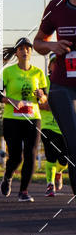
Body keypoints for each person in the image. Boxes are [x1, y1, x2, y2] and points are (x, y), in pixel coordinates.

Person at [33, 0, 76, 194]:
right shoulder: (56, 6)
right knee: (74, 144)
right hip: (63, 85)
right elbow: (38, 41)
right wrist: (52, 46)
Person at [0, 37, 46, 201]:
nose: (25, 51)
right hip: (12, 119)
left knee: (31, 153)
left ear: (31, 52)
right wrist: (10, 100)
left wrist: (41, 96)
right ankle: (8, 176)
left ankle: (24, 192)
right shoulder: (8, 72)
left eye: (28, 48)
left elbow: (44, 98)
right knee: (16, 157)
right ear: (16, 52)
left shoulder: (38, 73)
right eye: (21, 48)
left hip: (33, 118)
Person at [39, 56, 69, 196]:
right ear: (50, 66)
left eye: (59, 63)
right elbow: (41, 103)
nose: (56, 66)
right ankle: (50, 185)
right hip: (47, 126)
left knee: (65, 159)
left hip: (65, 126)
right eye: (54, 63)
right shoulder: (43, 81)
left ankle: (59, 172)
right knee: (50, 156)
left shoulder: (69, 82)